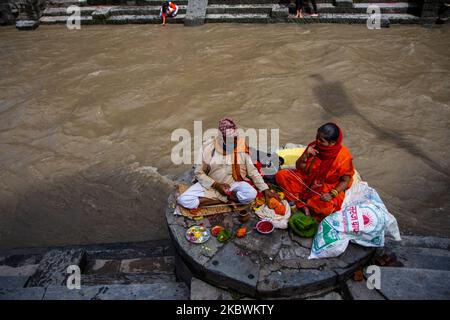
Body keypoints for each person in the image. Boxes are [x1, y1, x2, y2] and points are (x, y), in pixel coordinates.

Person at [177, 118, 279, 210]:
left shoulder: (241, 147)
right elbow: (198, 173)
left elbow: (252, 171)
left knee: (251, 194)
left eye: (235, 138)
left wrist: (265, 189)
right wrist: (216, 185)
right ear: (222, 138)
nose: (234, 142)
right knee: (183, 200)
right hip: (212, 184)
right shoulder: (207, 148)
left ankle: (225, 198)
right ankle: (227, 199)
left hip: (234, 184)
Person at [275, 123, 354, 220]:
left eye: (321, 140)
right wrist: (305, 156)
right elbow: (299, 167)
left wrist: (332, 194)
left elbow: (345, 180)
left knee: (326, 209)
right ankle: (302, 204)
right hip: (306, 179)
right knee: (281, 175)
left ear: (332, 143)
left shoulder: (343, 157)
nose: (317, 141)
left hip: (326, 188)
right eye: (317, 137)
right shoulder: (313, 147)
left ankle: (300, 202)